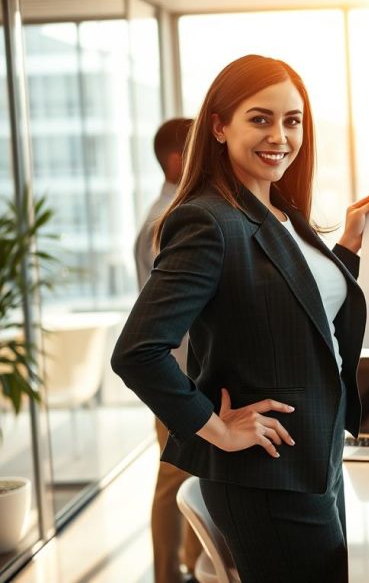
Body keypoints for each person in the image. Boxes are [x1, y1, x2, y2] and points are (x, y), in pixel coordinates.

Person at [111, 54, 369, 582]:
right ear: (218, 125)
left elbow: (297, 308)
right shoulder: (207, 221)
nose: (279, 135)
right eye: (260, 118)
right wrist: (215, 428)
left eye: (292, 120)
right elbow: (137, 352)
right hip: (266, 479)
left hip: (314, 461)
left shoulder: (280, 212)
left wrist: (344, 249)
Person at [133, 117, 202, 583]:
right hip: (178, 377)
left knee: (187, 478)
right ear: (179, 160)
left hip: (184, 375)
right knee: (176, 479)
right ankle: (168, 576)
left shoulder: (174, 214)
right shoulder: (167, 223)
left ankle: (192, 568)